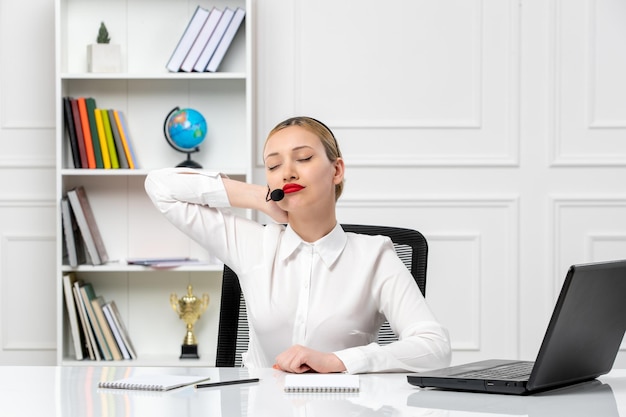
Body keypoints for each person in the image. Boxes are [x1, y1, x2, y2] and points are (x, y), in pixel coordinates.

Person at [144, 116, 451, 374]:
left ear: (337, 170)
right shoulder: (253, 244)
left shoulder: (375, 255)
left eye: (303, 158)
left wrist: (338, 361)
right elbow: (159, 187)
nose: (288, 172)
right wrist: (259, 197)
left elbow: (434, 347)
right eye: (273, 165)